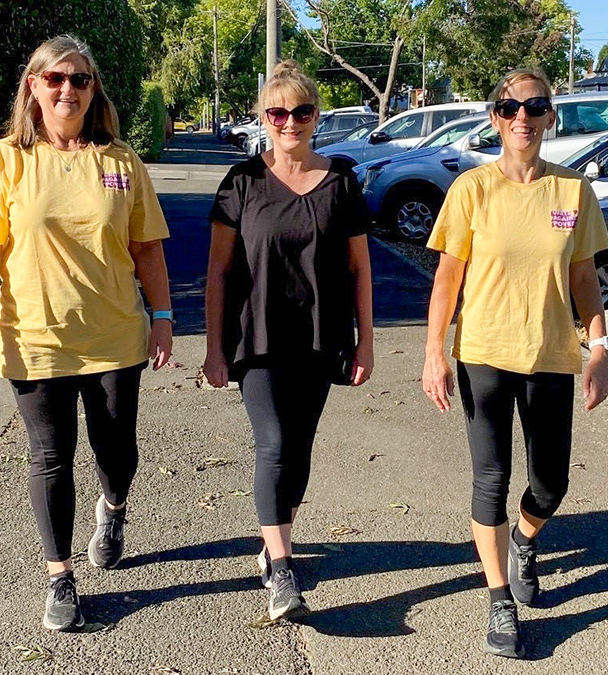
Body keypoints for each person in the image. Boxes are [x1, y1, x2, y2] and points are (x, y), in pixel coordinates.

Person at [0, 35, 172, 632]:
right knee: (51, 457)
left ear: (93, 88)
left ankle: (114, 507)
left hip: (114, 335)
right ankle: (60, 577)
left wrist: (163, 317)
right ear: (34, 86)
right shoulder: (2, 161)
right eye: (55, 79)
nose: (67, 89)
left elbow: (146, 247)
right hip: (35, 336)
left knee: (115, 451)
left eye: (78, 79)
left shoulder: (121, 162)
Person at [421, 68, 608, 659]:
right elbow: (447, 279)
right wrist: (434, 352)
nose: (521, 118)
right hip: (483, 352)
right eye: (509, 107)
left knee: (551, 482)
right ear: (495, 117)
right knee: (491, 478)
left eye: (534, 107)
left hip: (552, 354)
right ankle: (499, 595)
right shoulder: (472, 189)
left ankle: (524, 543)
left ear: (550, 116)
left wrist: (600, 347)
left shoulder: (572, 192)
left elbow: (584, 278)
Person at [203, 60, 374, 622]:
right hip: (257, 335)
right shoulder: (243, 183)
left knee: (298, 452)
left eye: (300, 111)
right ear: (263, 118)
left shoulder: (342, 182)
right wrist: (212, 345)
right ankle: (281, 569)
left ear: (315, 116)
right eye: (277, 112)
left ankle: (275, 538)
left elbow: (359, 270)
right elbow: (220, 272)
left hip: (321, 336)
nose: (289, 122)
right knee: (273, 444)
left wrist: (366, 341)